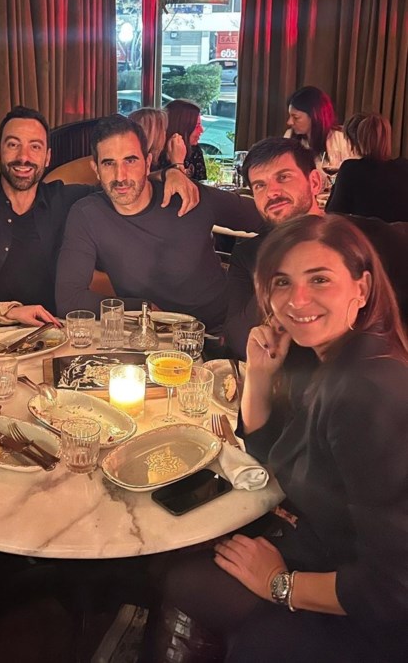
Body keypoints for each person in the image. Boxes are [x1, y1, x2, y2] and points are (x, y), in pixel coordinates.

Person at [154, 214, 408, 663]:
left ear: (362, 287)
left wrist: (280, 585)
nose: (298, 299)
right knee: (179, 572)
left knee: (180, 577)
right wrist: (260, 372)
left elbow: (394, 586)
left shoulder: (367, 393)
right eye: (282, 282)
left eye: (320, 279)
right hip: (331, 552)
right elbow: (274, 454)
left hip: (371, 615)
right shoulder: (336, 358)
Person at [0, 76, 198, 324]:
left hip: (55, 335)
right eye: (13, 144)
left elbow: (124, 185)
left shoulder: (66, 199)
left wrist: (171, 172)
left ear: (47, 157)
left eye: (35, 147)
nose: (23, 156)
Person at [55, 115, 262, 333]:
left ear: (147, 163)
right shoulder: (87, 214)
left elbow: (268, 218)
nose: (120, 176)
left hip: (220, 331)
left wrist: (250, 272)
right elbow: (69, 301)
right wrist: (142, 308)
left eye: (130, 160)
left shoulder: (189, 195)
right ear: (96, 169)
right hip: (150, 337)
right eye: (109, 163)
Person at [222, 137, 408, 359]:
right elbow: (237, 341)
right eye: (260, 185)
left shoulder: (368, 236)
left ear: (315, 183)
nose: (271, 192)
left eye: (283, 177)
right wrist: (281, 258)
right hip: (285, 376)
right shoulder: (247, 253)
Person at [326, 112, 408, 222]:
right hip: (400, 233)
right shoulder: (404, 167)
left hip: (364, 233)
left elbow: (332, 214)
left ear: (355, 142)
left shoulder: (351, 169)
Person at [284, 85, 354, 169]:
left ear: (315, 116)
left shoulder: (340, 139)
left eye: (296, 117)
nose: (289, 122)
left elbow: (351, 171)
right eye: (290, 116)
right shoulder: (289, 136)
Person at [159, 98, 207, 180]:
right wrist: (177, 163)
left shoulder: (195, 151)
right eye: (197, 126)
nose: (201, 130)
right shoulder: (157, 155)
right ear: (182, 127)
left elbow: (201, 184)